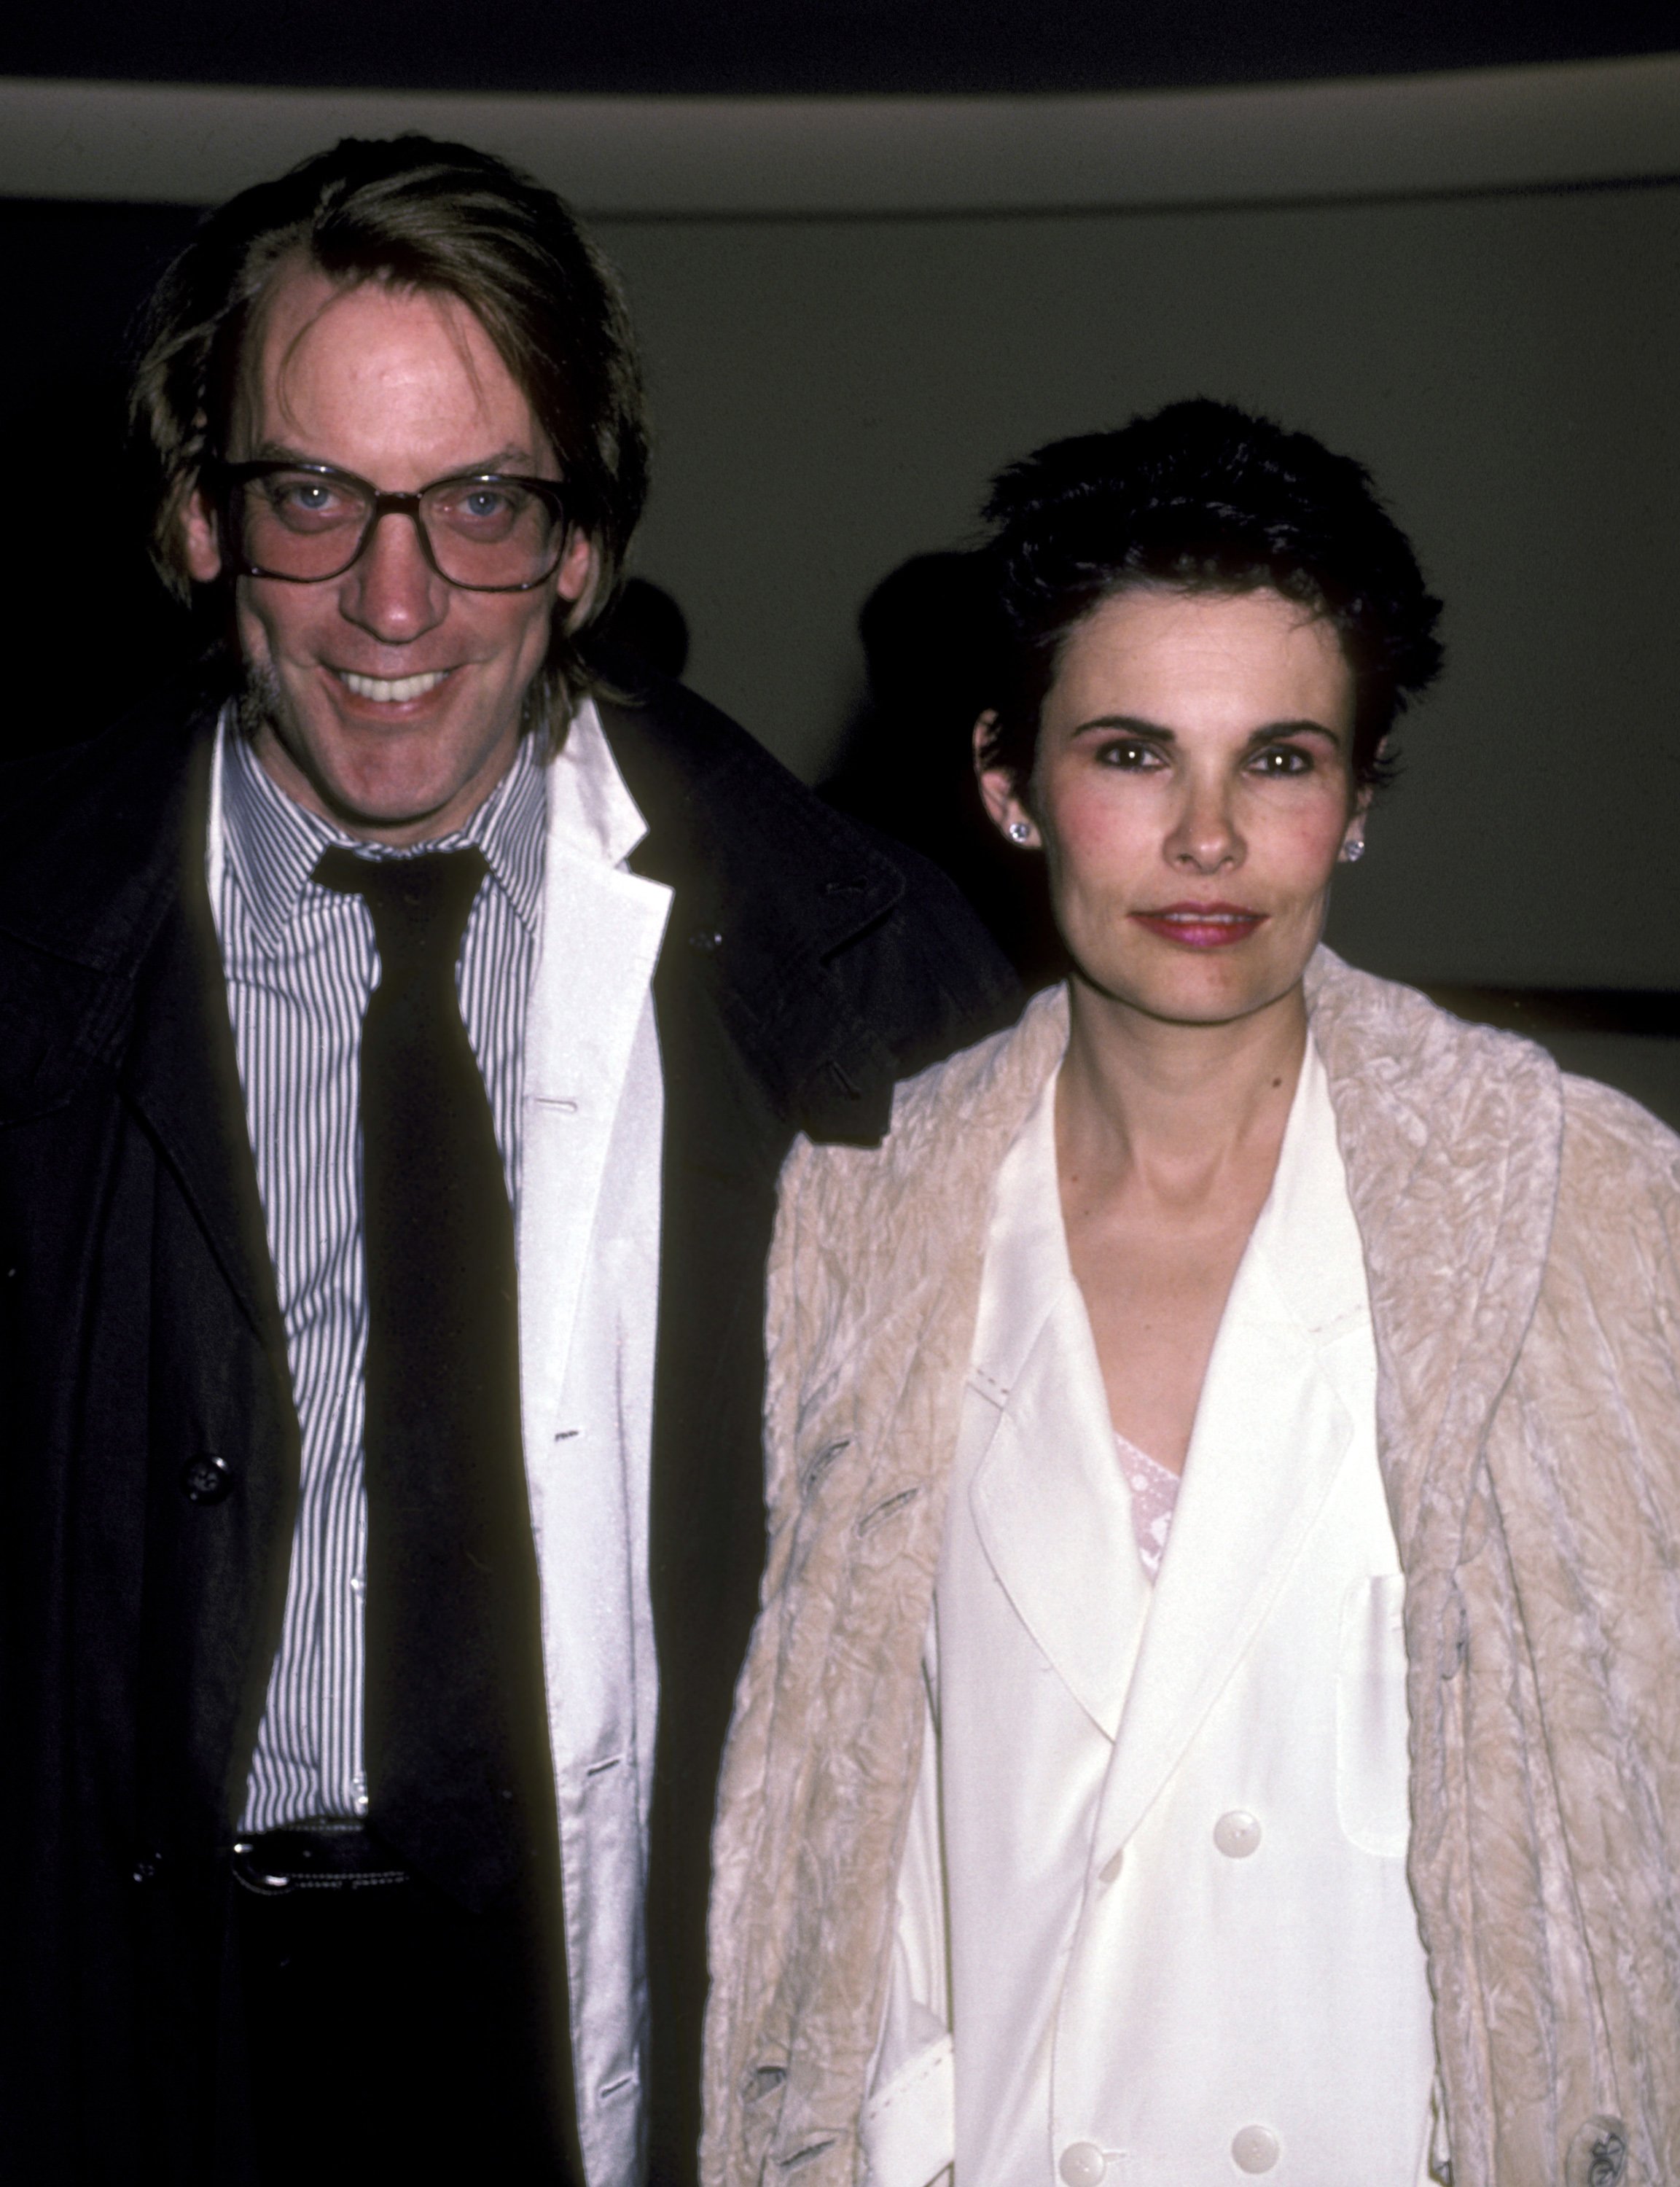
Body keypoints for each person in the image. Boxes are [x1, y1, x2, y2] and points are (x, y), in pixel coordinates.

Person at [0, 136, 1016, 2187]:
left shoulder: (863, 986)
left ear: (582, 546)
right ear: (201, 521)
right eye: (315, 499)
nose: (398, 603)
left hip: (620, 2021)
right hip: (129, 2021)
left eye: (481, 504)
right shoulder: (19, 938)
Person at [703, 399, 1680, 2187]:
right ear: (1007, 780)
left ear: (1360, 795)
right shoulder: (851, 1219)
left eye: (1283, 758)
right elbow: (843, 1836)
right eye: (1135, 753)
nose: (1211, 837)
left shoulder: (1581, 1207)